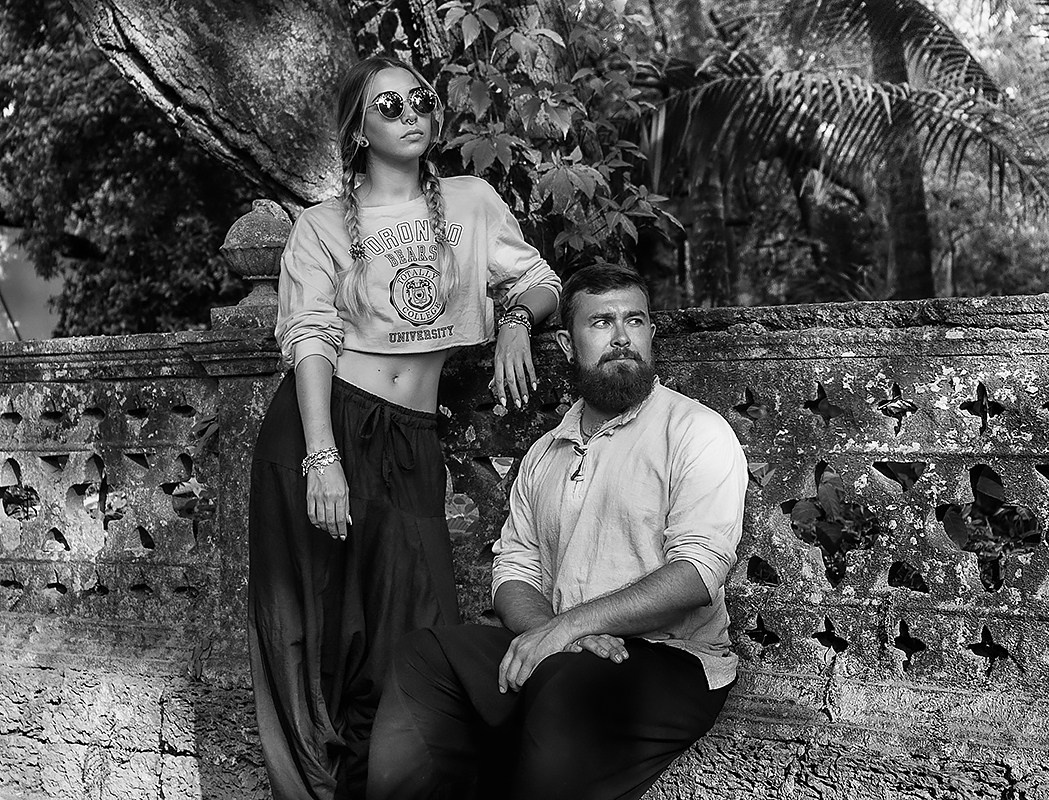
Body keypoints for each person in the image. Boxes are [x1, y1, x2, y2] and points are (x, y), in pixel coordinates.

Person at [248, 55, 561, 800]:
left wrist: (517, 320)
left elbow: (540, 280)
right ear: (359, 129)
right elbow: (311, 338)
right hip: (323, 427)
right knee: (317, 637)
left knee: (415, 629)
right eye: (388, 106)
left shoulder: (472, 203)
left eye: (419, 99)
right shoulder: (322, 226)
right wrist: (321, 458)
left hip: (413, 438)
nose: (411, 113)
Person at [366, 264, 748, 800]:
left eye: (635, 320)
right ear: (569, 345)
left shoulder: (696, 431)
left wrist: (568, 629)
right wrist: (552, 633)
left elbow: (696, 575)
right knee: (426, 656)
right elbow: (513, 570)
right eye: (602, 323)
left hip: (671, 660)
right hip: (565, 646)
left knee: (563, 686)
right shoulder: (546, 452)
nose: (622, 337)